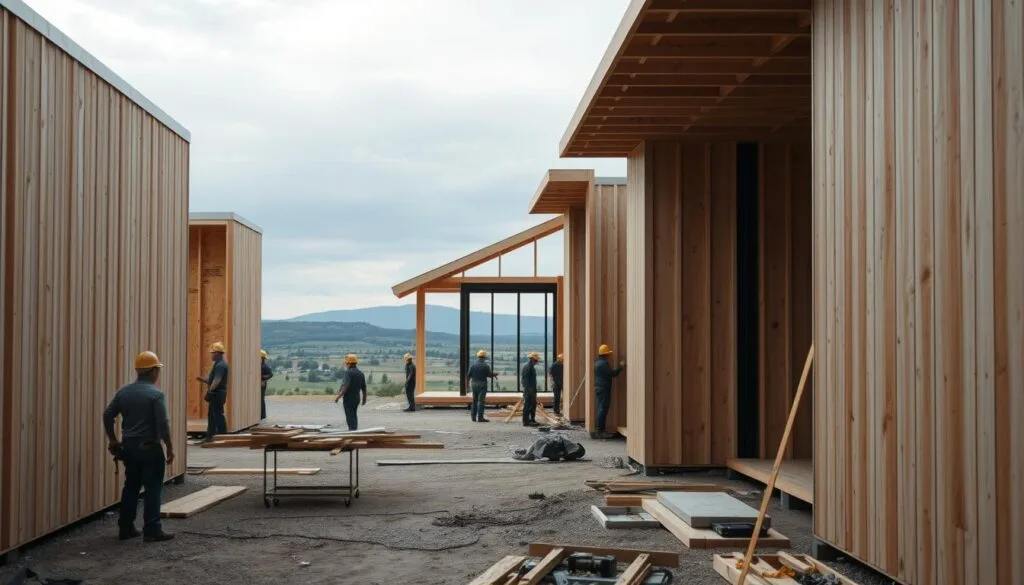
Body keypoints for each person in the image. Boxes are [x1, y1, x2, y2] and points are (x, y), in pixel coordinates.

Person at [102, 350, 175, 542]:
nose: (158, 374)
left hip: (129, 448)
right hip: (149, 447)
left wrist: (113, 439)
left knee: (131, 486)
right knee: (152, 488)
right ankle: (152, 529)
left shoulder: (124, 392)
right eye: (157, 370)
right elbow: (163, 424)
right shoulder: (155, 395)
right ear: (152, 372)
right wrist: (169, 447)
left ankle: (125, 528)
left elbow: (107, 415)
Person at [196, 341, 229, 441]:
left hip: (217, 393)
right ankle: (211, 436)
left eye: (213, 353)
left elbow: (217, 380)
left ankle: (221, 435)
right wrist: (202, 379)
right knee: (212, 414)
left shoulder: (220, 365)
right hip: (217, 392)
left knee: (217, 414)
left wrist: (210, 391)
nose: (211, 355)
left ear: (218, 353)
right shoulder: (218, 364)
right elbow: (211, 379)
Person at [593, 344, 625, 439]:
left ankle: (600, 430)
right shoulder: (603, 364)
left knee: (601, 408)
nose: (609, 355)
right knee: (603, 409)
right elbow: (612, 373)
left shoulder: (598, 362)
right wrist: (620, 367)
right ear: (605, 354)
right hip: (603, 389)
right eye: (608, 354)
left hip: (600, 388)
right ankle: (600, 431)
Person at [334, 354, 367, 430]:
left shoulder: (348, 373)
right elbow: (364, 387)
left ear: (348, 363)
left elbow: (346, 386)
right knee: (354, 415)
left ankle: (352, 431)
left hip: (349, 399)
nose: (346, 364)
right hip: (357, 398)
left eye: (346, 363)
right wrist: (364, 399)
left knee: (349, 416)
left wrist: (338, 397)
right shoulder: (360, 373)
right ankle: (355, 431)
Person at [466, 350, 498, 422]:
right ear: (484, 357)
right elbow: (489, 375)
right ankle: (480, 417)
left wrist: (467, 386)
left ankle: (473, 417)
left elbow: (468, 376)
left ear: (478, 357)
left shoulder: (473, 365)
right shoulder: (486, 366)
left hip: (474, 384)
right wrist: (494, 374)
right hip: (482, 384)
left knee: (474, 400)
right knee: (481, 401)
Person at [520, 352, 540, 427]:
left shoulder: (531, 367)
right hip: (529, 390)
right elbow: (524, 380)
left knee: (533, 405)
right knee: (527, 405)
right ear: (532, 359)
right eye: (536, 360)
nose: (537, 362)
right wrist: (528, 389)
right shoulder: (527, 367)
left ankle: (532, 420)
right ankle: (526, 421)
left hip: (532, 389)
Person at [260, 349, 273, 420]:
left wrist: (262, 378)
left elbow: (270, 374)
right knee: (260, 399)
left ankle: (262, 415)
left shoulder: (264, 366)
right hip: (261, 384)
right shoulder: (261, 365)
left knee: (261, 399)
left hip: (262, 384)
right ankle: (262, 415)